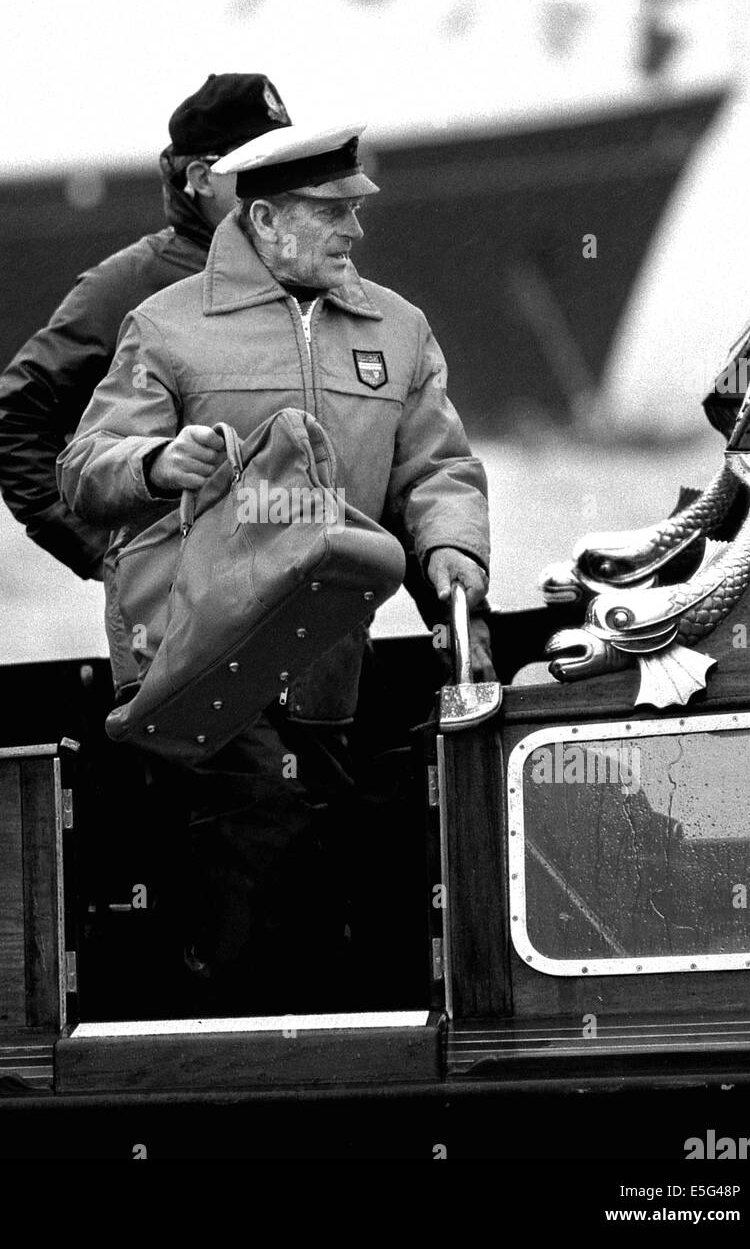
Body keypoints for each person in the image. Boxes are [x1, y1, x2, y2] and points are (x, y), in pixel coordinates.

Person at [57, 123, 490, 1014]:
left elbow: (435, 471)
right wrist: (152, 465)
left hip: (327, 665)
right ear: (264, 217)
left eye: (357, 210)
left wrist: (453, 549)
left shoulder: (398, 329)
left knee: (319, 859)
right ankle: (239, 1069)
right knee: (259, 844)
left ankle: (292, 1059)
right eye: (332, 212)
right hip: (196, 660)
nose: (354, 231)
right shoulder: (168, 326)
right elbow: (80, 468)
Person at [0, 72, 291, 687]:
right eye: (259, 166)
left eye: (288, 163)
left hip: (304, 626)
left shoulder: (305, 278)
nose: (284, 185)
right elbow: (15, 419)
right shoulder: (127, 287)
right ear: (201, 179)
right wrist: (105, 554)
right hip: (180, 638)